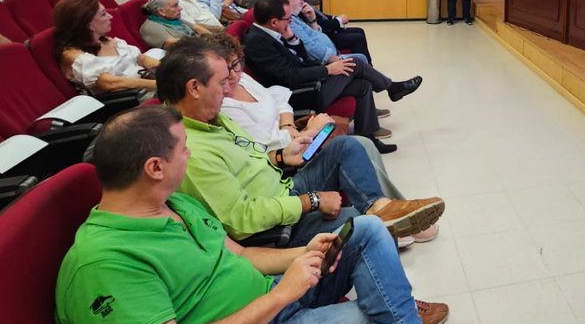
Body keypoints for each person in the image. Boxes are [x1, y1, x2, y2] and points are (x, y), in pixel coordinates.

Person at [55, 105, 503, 324]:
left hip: (266, 308)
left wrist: (307, 254)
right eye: (183, 150)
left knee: (364, 229)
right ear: (155, 166)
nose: (189, 156)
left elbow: (242, 256)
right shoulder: (102, 262)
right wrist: (282, 295)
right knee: (381, 316)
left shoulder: (173, 204)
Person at [158, 39, 443, 244]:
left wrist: (283, 156)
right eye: (222, 81)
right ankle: (388, 224)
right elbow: (241, 220)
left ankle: (382, 207)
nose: (231, 84)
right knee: (367, 227)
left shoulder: (213, 117)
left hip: (282, 180)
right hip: (277, 212)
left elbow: (253, 154)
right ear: (195, 88)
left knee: (351, 145)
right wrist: (311, 200)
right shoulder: (189, 149)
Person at [244, 0, 421, 151]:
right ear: (274, 21)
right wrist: (328, 70)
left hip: (308, 82)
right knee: (356, 63)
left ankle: (368, 137)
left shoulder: (273, 32)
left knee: (363, 86)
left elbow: (301, 60)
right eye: (288, 19)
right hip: (301, 94)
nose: (290, 22)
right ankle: (392, 87)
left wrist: (292, 39)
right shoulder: (258, 42)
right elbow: (289, 76)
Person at [269, 0, 392, 121]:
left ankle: (369, 128)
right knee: (357, 61)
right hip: (312, 83)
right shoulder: (277, 31)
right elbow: (305, 57)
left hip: (319, 66)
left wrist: (312, 21)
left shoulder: (292, 18)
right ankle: (390, 87)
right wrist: (329, 66)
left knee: (361, 80)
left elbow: (311, 41)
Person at [54, 0, 159, 95]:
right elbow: (111, 84)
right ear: (88, 24)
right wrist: (159, 85)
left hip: (148, 88)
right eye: (103, 14)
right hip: (128, 100)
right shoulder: (74, 56)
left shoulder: (106, 41)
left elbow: (142, 59)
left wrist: (170, 70)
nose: (111, 16)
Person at [290, 0, 371, 62]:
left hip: (323, 33)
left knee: (359, 31)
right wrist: (338, 20)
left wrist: (334, 18)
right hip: (325, 36)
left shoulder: (303, 2)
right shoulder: (296, 8)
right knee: (358, 38)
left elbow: (319, 16)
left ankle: (368, 67)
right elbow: (319, 25)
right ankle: (367, 68)